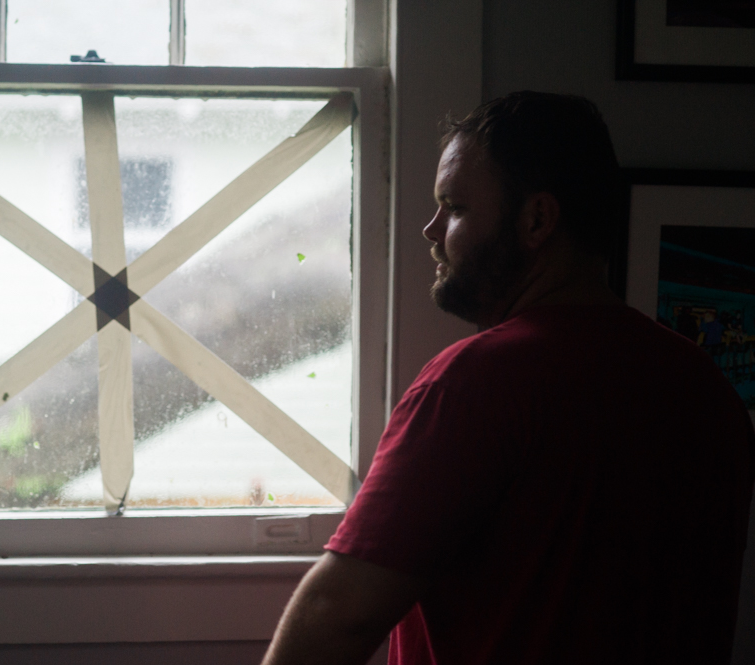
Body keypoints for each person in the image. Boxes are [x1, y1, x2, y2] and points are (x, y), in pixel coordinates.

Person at [261, 92, 755, 665]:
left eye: (454, 207)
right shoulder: (708, 391)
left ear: (537, 219)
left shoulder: (475, 384)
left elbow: (339, 616)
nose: (430, 229)